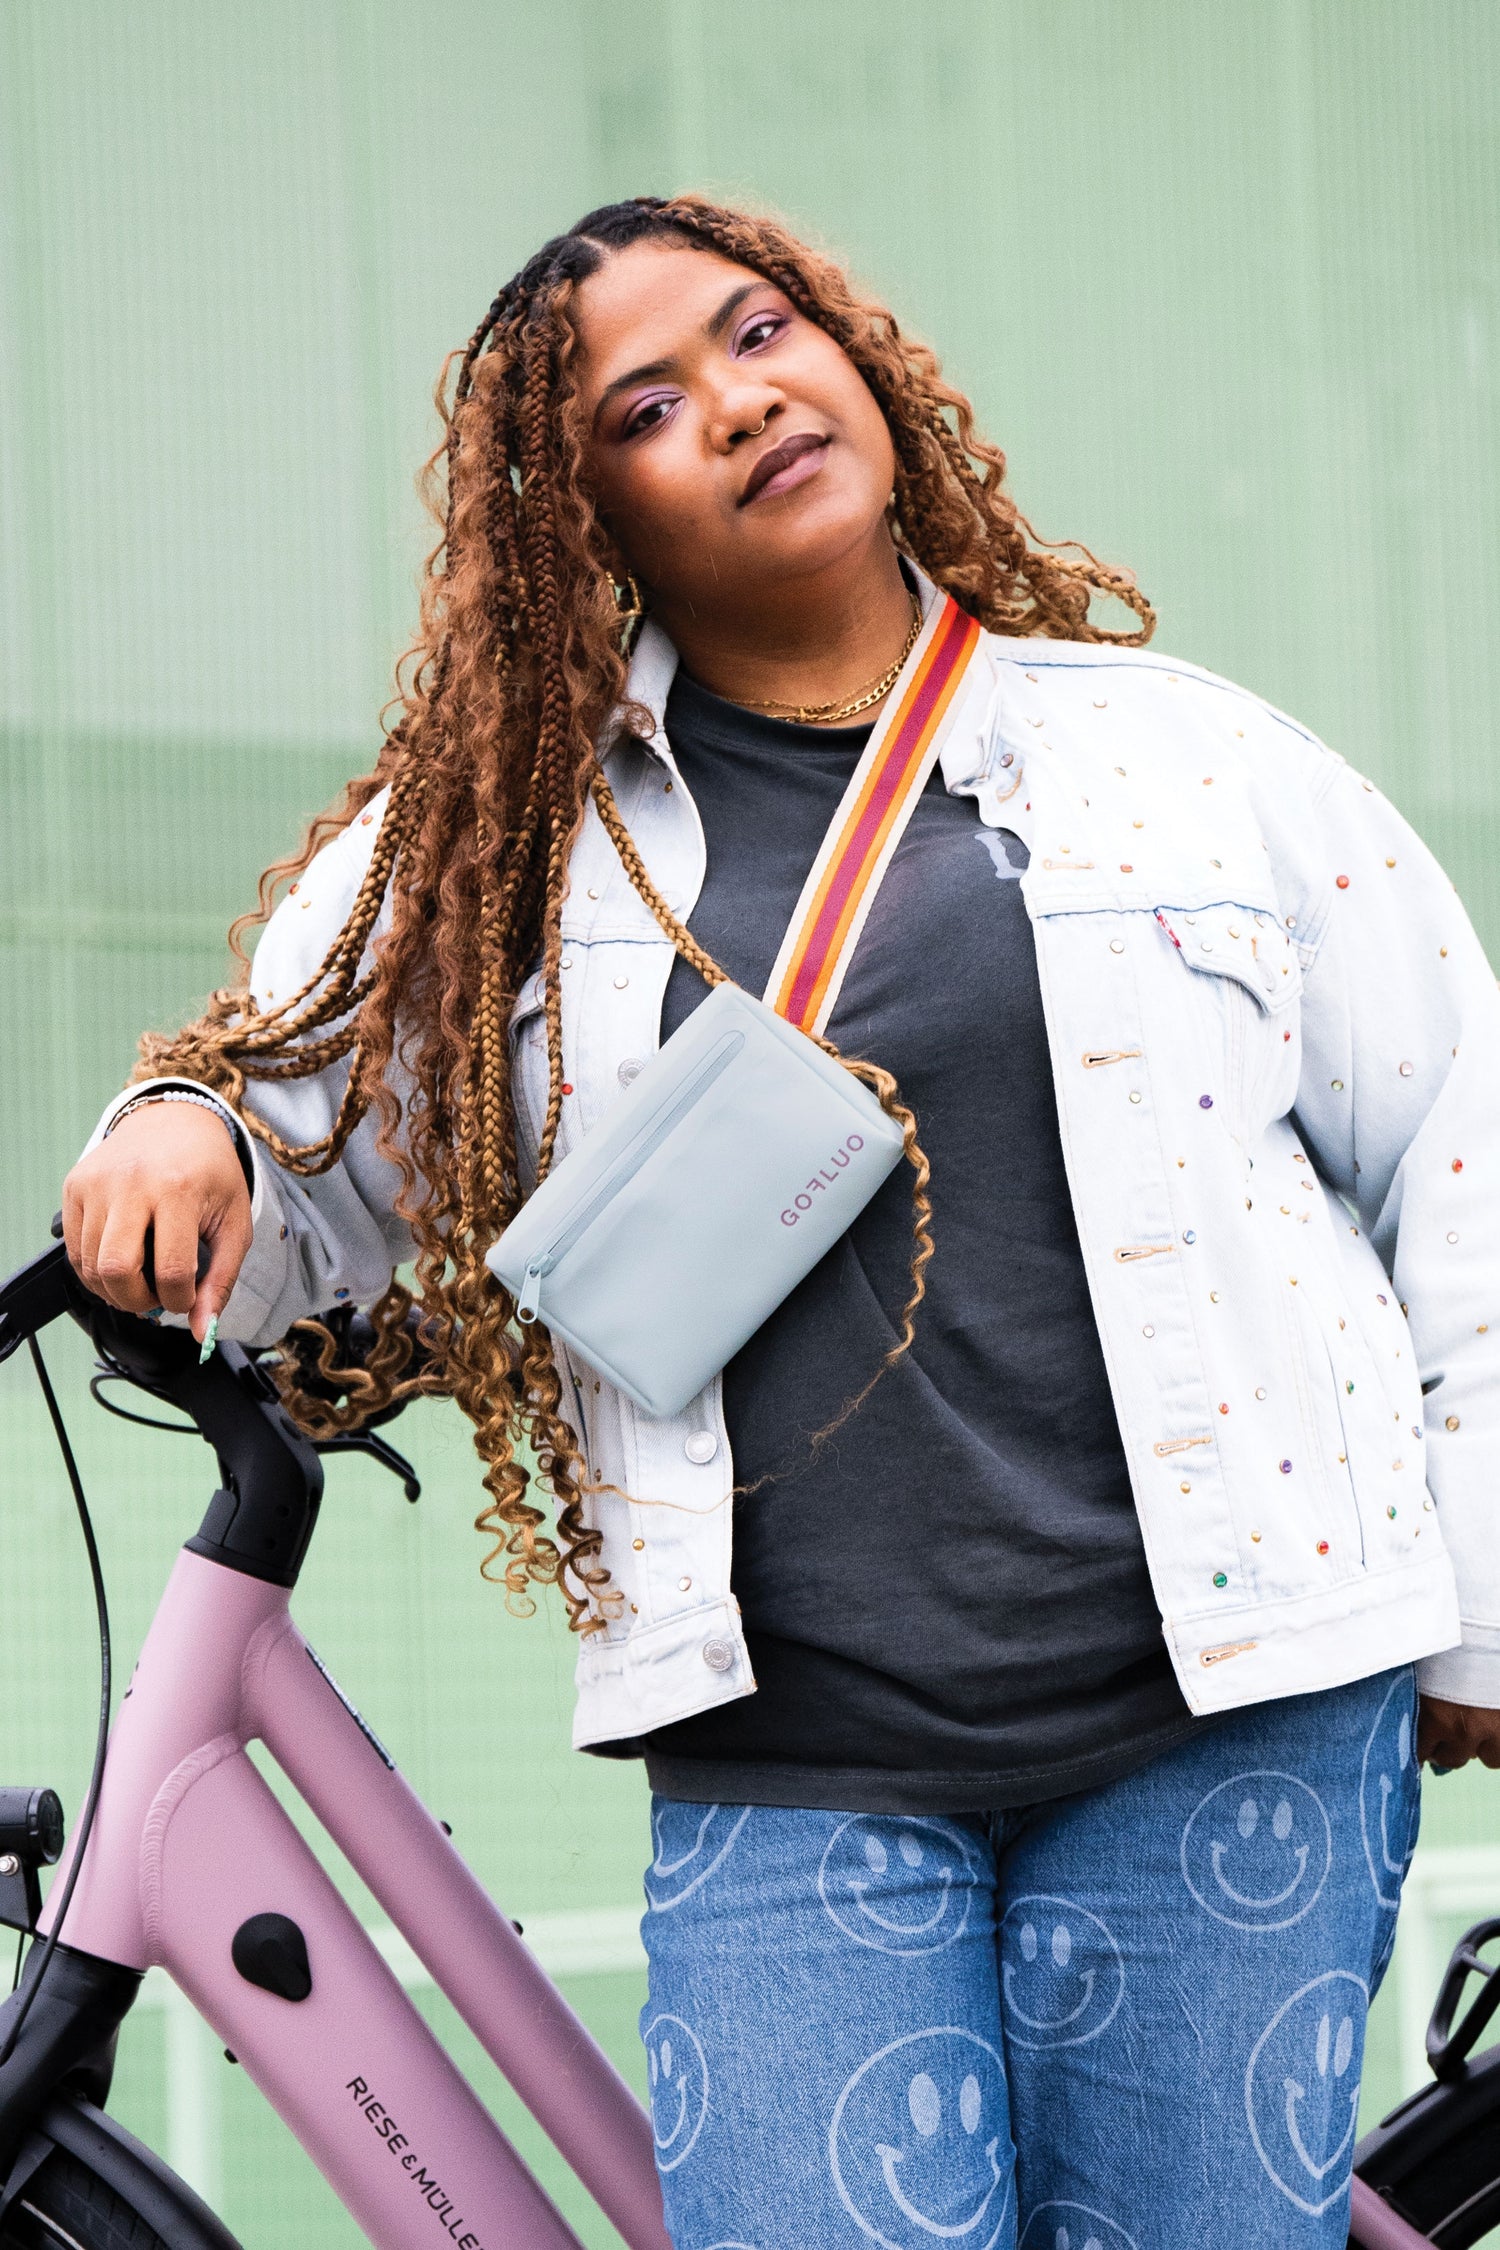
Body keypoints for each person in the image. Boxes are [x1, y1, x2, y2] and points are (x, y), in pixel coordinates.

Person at [62, 195, 1500, 2248]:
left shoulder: (1183, 762)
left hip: (1236, 1706)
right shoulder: (496, 843)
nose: (737, 403)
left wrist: (1485, 1602)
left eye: (757, 334)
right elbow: (286, 1131)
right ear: (584, 522)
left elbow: (1462, 1154)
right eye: (646, 408)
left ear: (854, 355)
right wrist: (184, 1118)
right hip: (796, 1759)